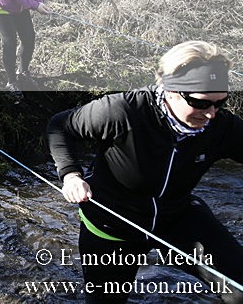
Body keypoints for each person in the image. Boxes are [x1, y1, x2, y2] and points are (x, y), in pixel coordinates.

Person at [48, 41, 243, 303]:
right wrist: (71, 175)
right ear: (172, 90)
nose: (211, 114)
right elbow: (60, 126)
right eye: (200, 103)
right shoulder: (122, 111)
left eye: (220, 103)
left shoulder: (221, 126)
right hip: (112, 225)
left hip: (177, 217)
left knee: (238, 286)